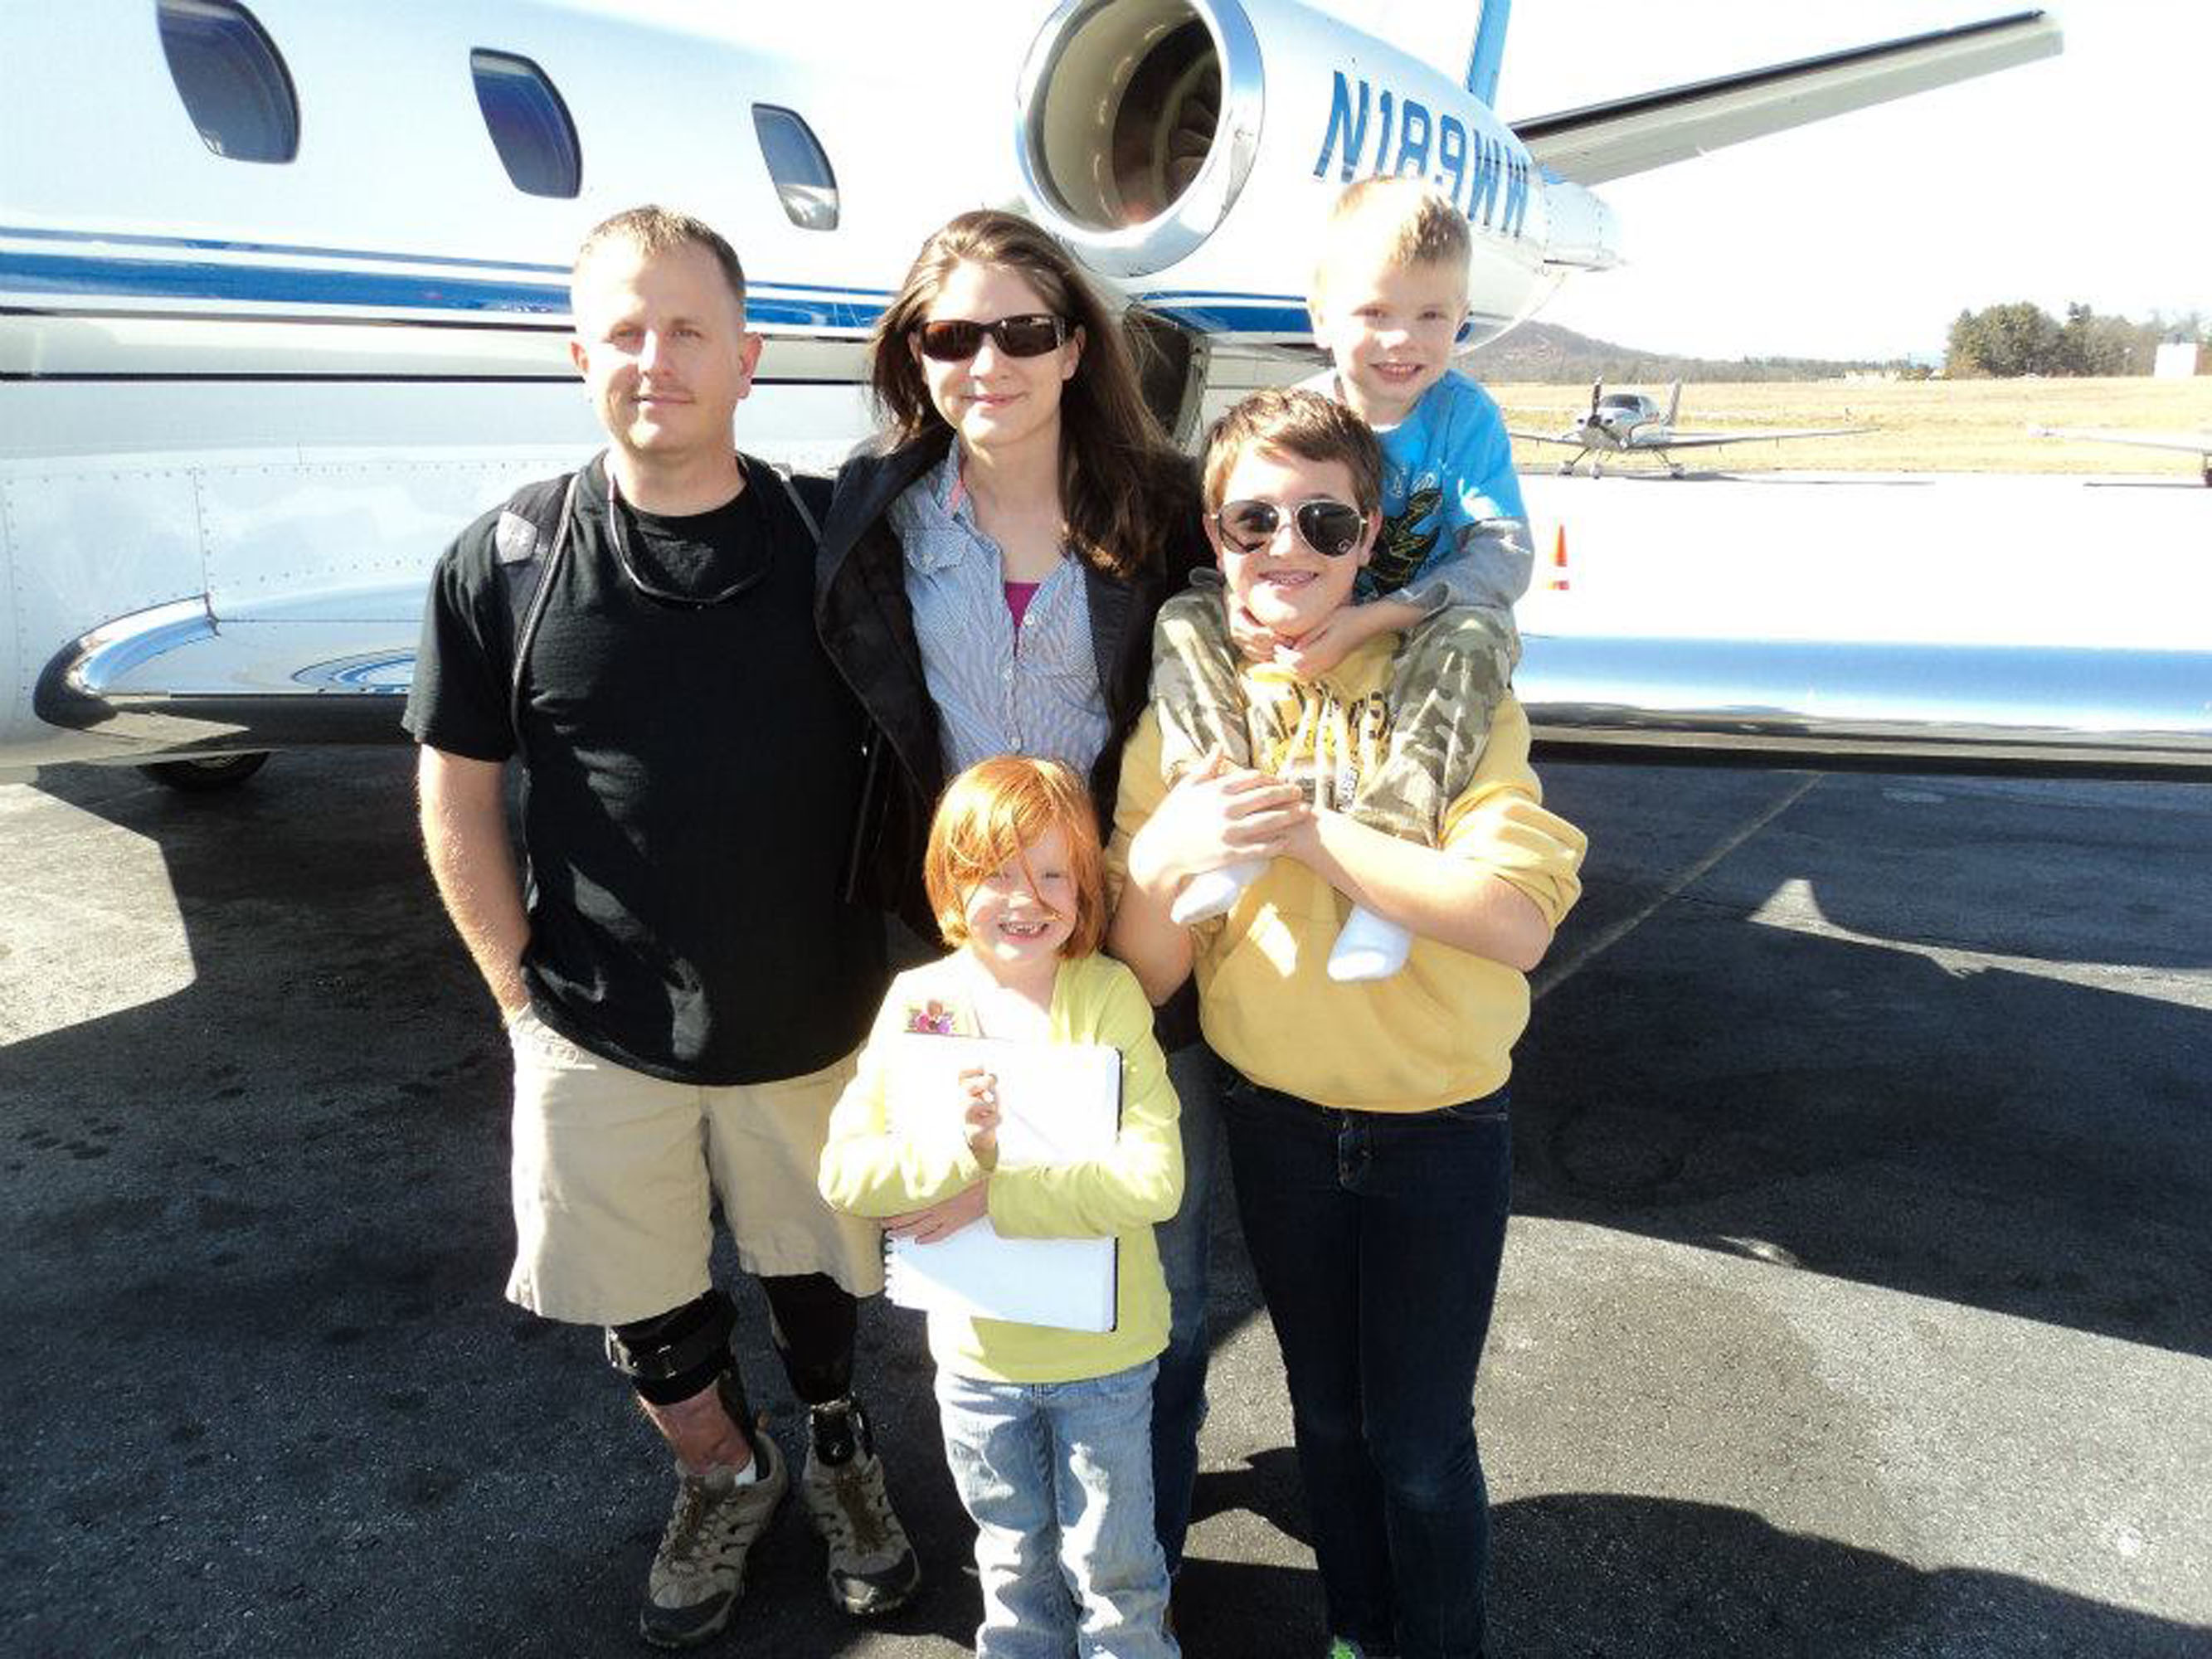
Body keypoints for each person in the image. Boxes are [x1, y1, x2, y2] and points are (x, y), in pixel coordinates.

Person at [403, 205, 919, 1651]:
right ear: (580, 356)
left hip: (812, 1017)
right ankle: (722, 1470)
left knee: (814, 1276)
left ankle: (837, 1447)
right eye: (623, 332)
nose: (655, 359)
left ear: (746, 358)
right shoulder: (504, 560)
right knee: (640, 1301)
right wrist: (516, 997)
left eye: (688, 329)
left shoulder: (832, 547)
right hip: (592, 1024)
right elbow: (456, 794)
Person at [1109, 387, 1587, 1659]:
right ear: (1212, 536)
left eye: (1321, 521)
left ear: (1368, 536)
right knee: (1322, 1419)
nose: (1286, 547)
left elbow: (1511, 920)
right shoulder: (1186, 711)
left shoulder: (1444, 685)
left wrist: (1304, 831)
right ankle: (1357, 1633)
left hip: (1436, 1126)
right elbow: (1145, 973)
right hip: (1273, 1120)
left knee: (1419, 1446)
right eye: (1251, 520)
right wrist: (1160, 862)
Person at [814, 208, 1220, 1579]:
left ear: (1073, 347)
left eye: (1022, 332)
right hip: (970, 946)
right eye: (950, 335)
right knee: (977, 1247)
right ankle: (1025, 1573)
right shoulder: (874, 519)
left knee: (1154, 1270)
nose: (985, 363)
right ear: (913, 355)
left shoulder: (1161, 512)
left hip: (1126, 940)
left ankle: (1141, 1566)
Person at [819, 756, 1183, 1659]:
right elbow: (846, 1171)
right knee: (1013, 1568)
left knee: (1115, 1574)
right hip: (978, 1362)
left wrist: (990, 1195)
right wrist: (955, 1152)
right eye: (997, 872)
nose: (1026, 898)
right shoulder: (921, 1005)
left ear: (1086, 885)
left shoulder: (1106, 996)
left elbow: (1155, 1179)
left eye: (1053, 873)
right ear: (950, 880)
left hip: (1104, 1357)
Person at [1147, 178, 1532, 983]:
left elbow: (1503, 554)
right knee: (1184, 614)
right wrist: (1235, 603)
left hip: (1417, 633)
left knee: (1477, 631)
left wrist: (1375, 618)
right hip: (1307, 613)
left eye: (1432, 316)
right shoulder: (1296, 415)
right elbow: (1241, 527)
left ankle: (1392, 857)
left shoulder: (1464, 417)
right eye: (1375, 313)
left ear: (1463, 317)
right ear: (1321, 318)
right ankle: (1226, 812)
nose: (1402, 340)